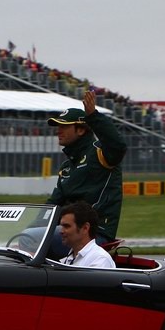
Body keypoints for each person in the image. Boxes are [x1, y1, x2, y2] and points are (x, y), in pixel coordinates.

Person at [46, 89, 128, 246]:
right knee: (30, 236)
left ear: (81, 129)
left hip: (95, 233)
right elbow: (53, 205)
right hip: (69, 230)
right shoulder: (66, 168)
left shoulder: (101, 152)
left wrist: (93, 117)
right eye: (58, 126)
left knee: (38, 238)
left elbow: (118, 145)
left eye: (64, 126)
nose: (59, 130)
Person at [54, 201, 115, 269]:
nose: (61, 231)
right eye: (61, 226)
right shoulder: (69, 258)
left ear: (85, 228)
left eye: (66, 226)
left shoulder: (99, 260)